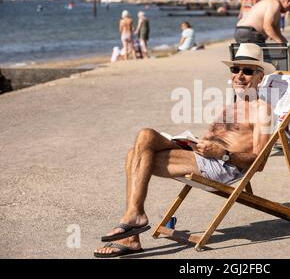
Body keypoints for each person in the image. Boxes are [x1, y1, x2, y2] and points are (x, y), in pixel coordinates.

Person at [93, 43, 275, 257]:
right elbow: (213, 137)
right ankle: (134, 219)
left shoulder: (263, 111)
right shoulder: (230, 106)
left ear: (260, 77)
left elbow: (259, 163)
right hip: (201, 153)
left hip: (222, 165)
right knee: (145, 136)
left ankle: (132, 229)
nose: (240, 76)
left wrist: (221, 153)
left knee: (135, 155)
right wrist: (194, 142)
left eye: (248, 71)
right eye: (235, 70)